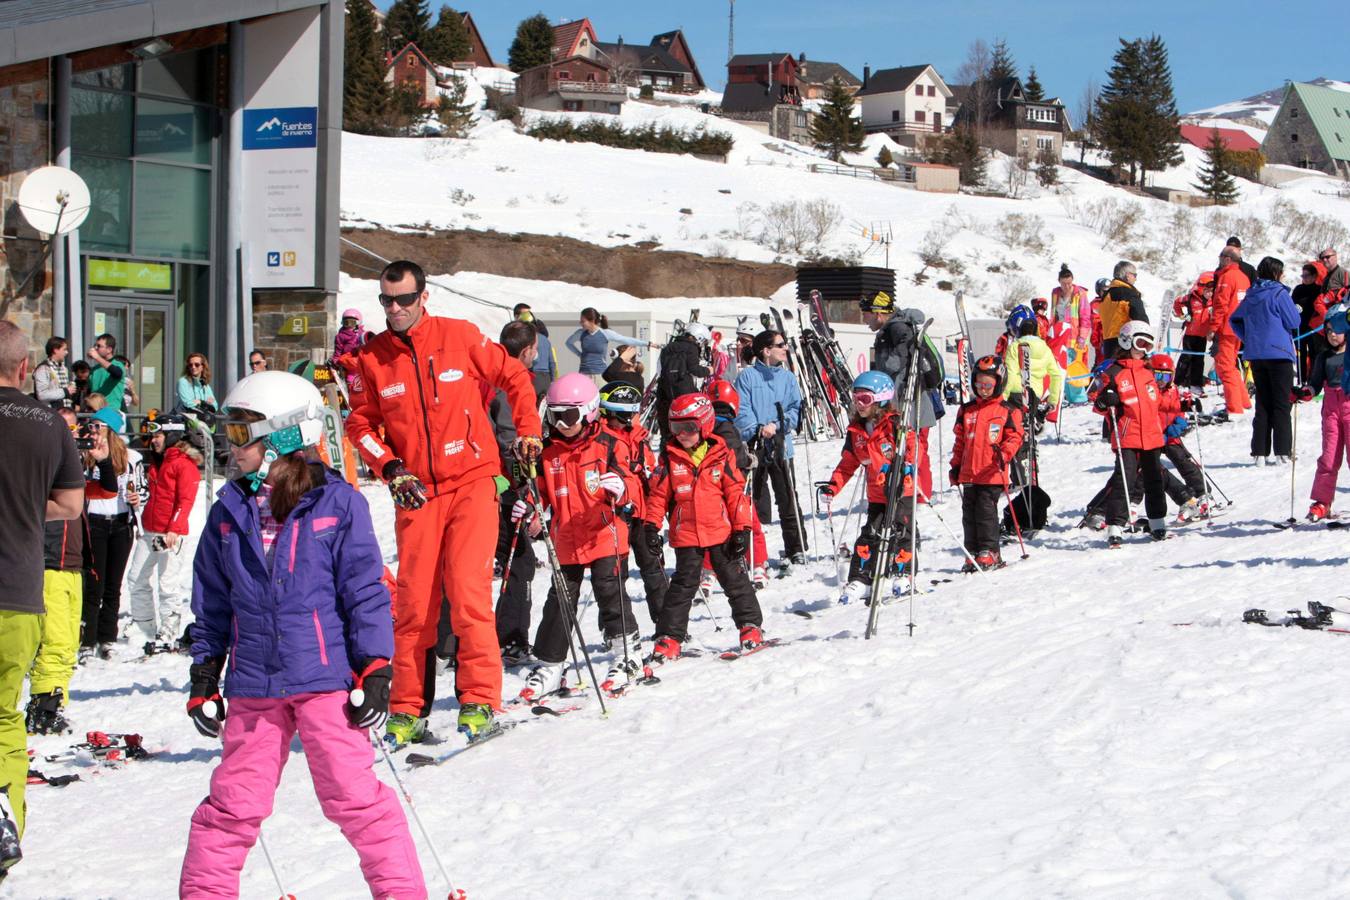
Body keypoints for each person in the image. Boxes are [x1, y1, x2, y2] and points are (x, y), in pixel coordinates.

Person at [181, 371, 425, 899]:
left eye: (243, 434)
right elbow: (213, 600)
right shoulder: (228, 510)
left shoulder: (337, 504)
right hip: (254, 684)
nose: (231, 445)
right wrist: (205, 672)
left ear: (285, 435)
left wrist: (377, 666)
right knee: (230, 808)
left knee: (354, 800)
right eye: (229, 432)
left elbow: (364, 592)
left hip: (324, 681)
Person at [344, 259, 542, 746]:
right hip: (417, 492)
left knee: (468, 592)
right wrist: (389, 467)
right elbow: (359, 426)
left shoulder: (460, 335)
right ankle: (407, 709)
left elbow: (515, 378)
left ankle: (478, 700)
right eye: (387, 301)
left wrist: (529, 434)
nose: (395, 309)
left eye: (404, 300)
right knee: (413, 605)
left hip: (472, 480)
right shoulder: (373, 358)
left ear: (423, 297)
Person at [0, 320, 85, 873]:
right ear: (26, 367)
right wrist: (29, 509)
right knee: (5, 717)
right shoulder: (49, 424)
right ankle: (6, 823)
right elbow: (72, 505)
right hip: (17, 591)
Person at [511, 373, 642, 700]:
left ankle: (626, 652)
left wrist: (622, 488)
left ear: (590, 411)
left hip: (604, 533)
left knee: (609, 589)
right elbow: (539, 491)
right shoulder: (548, 452)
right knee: (560, 599)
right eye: (554, 416)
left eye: (568, 416)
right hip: (566, 537)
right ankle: (551, 664)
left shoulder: (610, 443)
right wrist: (527, 506)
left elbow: (633, 483)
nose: (561, 423)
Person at [639, 393, 763, 666]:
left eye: (689, 428)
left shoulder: (722, 456)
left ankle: (750, 625)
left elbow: (735, 494)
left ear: (705, 426)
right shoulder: (670, 460)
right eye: (675, 428)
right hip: (687, 534)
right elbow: (658, 497)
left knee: (734, 580)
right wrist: (651, 526)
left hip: (720, 531)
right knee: (682, 587)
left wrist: (741, 528)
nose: (682, 435)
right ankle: (669, 638)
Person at [819, 371, 922, 601]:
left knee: (901, 532)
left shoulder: (895, 424)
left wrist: (905, 470)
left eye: (865, 399)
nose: (859, 405)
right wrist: (832, 487)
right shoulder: (856, 431)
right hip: (876, 495)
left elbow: (914, 451)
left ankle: (903, 574)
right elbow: (847, 464)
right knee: (870, 536)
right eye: (855, 399)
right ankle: (861, 579)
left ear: (881, 400)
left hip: (899, 491)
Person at [27, 408, 88, 736]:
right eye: (67, 428)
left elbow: (104, 489)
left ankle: (55, 698)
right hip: (51, 561)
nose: (73, 434)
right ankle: (45, 704)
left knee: (67, 640)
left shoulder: (71, 463)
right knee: (54, 638)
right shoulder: (44, 461)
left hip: (72, 562)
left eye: (74, 428)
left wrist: (101, 459)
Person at [489, 320, 541, 663]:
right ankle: (509, 639)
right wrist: (527, 494)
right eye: (535, 349)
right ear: (526, 352)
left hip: (486, 484)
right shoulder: (508, 387)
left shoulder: (487, 378)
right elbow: (513, 444)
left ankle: (449, 643)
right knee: (519, 562)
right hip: (501, 487)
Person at [1090, 320, 1169, 546]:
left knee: (1154, 479)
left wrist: (1179, 403)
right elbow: (1096, 401)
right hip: (1128, 435)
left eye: (1148, 346)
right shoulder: (1114, 371)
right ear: (1126, 341)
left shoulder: (1148, 372)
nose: (1144, 351)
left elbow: (1158, 401)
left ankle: (1157, 521)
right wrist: (1106, 401)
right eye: (1140, 344)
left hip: (1152, 435)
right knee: (1125, 479)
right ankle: (1115, 525)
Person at [733, 330, 808, 568]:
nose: (785, 348)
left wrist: (777, 425)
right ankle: (748, 549)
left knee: (787, 497)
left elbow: (797, 409)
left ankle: (796, 547)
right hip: (754, 446)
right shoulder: (747, 377)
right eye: (780, 345)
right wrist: (756, 429)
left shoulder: (788, 378)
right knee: (748, 499)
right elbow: (740, 409)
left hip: (781, 445)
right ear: (766, 350)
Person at [597, 380, 671, 619]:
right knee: (616, 573)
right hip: (615, 511)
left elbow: (650, 467)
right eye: (621, 416)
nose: (627, 421)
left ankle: (666, 623)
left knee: (653, 566)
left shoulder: (639, 437)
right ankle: (615, 628)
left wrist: (653, 476)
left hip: (642, 508)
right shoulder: (599, 439)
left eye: (630, 415)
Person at [126, 413, 201, 643]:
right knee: (136, 578)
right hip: (150, 530)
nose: (154, 440)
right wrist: (140, 500)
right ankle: (145, 626)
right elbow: (154, 495)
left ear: (172, 435)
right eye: (153, 435)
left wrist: (174, 529)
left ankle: (169, 627)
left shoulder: (183, 465)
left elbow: (185, 501)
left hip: (170, 534)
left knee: (167, 583)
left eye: (158, 435)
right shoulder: (158, 462)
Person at [859, 292, 942, 500]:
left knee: (915, 448)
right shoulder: (894, 328)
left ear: (878, 313)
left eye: (866, 314)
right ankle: (913, 491)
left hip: (911, 403)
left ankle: (920, 494)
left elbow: (899, 361)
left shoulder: (898, 328)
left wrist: (882, 372)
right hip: (909, 402)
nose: (865, 320)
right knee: (911, 447)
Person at [949, 356, 1024, 572]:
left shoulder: (1007, 410)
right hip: (969, 473)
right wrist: (955, 467)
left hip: (991, 472)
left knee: (985, 512)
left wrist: (1005, 453)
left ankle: (990, 551)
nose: (983, 389)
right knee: (969, 514)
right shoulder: (967, 410)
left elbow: (1015, 437)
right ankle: (972, 551)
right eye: (979, 384)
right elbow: (960, 442)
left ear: (999, 383)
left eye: (988, 385)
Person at [80, 407, 141, 661]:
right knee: (94, 584)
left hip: (120, 524)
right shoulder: (87, 455)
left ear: (112, 430)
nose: (93, 430)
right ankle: (87, 640)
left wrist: (138, 498)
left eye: (99, 425)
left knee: (113, 586)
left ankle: (107, 638)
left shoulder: (132, 457)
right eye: (92, 425)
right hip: (94, 522)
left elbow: (142, 488)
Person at [1231, 257, 1299, 464]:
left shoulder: (1251, 294)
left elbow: (1234, 319)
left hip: (1257, 354)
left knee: (1263, 403)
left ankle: (1259, 452)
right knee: (1281, 404)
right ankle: (1282, 452)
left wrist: (1249, 338)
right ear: (1277, 273)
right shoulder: (1279, 293)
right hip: (1279, 353)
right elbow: (1294, 321)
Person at [705, 378, 768, 588]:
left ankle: (708, 570)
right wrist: (748, 459)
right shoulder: (727, 428)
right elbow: (734, 456)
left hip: (712, 487)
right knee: (750, 525)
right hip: (736, 486)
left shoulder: (704, 427)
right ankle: (758, 564)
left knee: (713, 528)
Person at [1298, 321, 1349, 521]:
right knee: (1329, 458)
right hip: (1331, 412)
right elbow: (1315, 385)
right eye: (1328, 332)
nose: (1332, 335)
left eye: (1337, 331)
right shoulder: (1324, 357)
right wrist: (1303, 393)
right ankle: (1322, 502)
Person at [1150, 355, 1207, 521]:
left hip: (1168, 434)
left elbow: (1177, 409)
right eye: (1157, 376)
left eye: (1165, 376)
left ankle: (1203, 492)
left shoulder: (1172, 389)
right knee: (1152, 468)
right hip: (1153, 437)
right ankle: (1185, 498)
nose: (1161, 380)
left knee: (1182, 459)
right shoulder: (1149, 391)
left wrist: (1180, 422)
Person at [1212, 245, 1253, 420]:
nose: (1219, 259)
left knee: (1225, 369)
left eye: (1221, 256)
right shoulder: (1244, 278)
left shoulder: (1226, 277)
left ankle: (1234, 407)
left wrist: (1213, 328)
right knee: (1232, 367)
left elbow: (1221, 305)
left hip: (1226, 329)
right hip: (1239, 328)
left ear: (1228, 259)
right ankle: (1244, 401)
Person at [565, 307, 652, 386]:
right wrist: (579, 354)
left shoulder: (605, 333)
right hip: (583, 374)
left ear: (591, 321)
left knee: (601, 401)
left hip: (600, 374)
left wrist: (647, 343)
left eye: (583, 321)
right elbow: (568, 343)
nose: (580, 323)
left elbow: (625, 339)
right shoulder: (581, 333)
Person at [655, 322, 711, 438]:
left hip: (665, 391)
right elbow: (694, 369)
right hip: (683, 391)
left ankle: (666, 447)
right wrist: (708, 370)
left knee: (667, 427)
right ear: (699, 337)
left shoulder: (668, 347)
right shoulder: (691, 348)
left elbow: (660, 369)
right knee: (684, 425)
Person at [1173, 272, 1216, 391]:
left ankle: (1196, 384)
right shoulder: (1191, 297)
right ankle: (1179, 382)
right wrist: (1182, 315)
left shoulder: (1214, 301)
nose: (1209, 293)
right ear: (1201, 288)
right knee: (1186, 357)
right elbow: (1177, 303)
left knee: (1199, 360)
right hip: (1189, 334)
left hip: (1202, 336)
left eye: (1212, 291)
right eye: (1207, 290)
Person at [1099, 261, 1148, 359]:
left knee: (1111, 372)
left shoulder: (1106, 296)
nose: (1136, 279)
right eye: (1135, 275)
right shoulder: (1128, 294)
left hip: (1108, 343)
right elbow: (1140, 319)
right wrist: (1145, 338)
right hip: (1125, 344)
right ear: (1128, 275)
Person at [1293, 261, 1329, 382]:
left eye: (1307, 276)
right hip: (1300, 326)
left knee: (1315, 354)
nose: (1304, 278)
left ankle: (1314, 381)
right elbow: (1292, 303)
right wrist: (1295, 307)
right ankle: (1301, 379)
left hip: (1314, 326)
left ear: (1314, 276)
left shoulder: (1318, 290)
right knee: (1300, 354)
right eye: (1302, 276)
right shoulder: (1298, 289)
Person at [514, 303, 556, 400]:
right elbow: (552, 362)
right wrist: (553, 380)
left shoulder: (527, 339)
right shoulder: (546, 340)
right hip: (546, 378)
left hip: (532, 376)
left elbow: (531, 360)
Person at [1050, 265, 1092, 354]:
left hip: (1075, 338)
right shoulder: (1055, 293)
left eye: (1069, 283)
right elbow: (1053, 314)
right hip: (1059, 335)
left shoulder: (1080, 294)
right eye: (1063, 284)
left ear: (1072, 280)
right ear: (1059, 282)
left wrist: (1082, 337)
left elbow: (1085, 317)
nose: (1067, 286)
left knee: (1073, 365)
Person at [86, 333, 126, 414]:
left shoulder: (118, 364)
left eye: (99, 346)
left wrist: (97, 357)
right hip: (95, 411)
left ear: (109, 349)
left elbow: (117, 373)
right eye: (95, 345)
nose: (96, 348)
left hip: (111, 410)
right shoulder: (95, 369)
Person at [32, 337, 73, 409]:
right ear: (55, 350)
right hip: (52, 412)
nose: (67, 352)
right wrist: (65, 391)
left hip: (65, 412)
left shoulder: (63, 368)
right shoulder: (43, 369)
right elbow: (42, 395)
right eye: (64, 349)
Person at [176, 353, 218, 420]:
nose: (193, 367)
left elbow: (215, 406)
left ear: (202, 367)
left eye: (197, 365)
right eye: (190, 365)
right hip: (185, 421)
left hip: (202, 421)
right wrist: (206, 403)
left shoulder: (205, 385)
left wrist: (200, 402)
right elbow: (188, 404)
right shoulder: (183, 382)